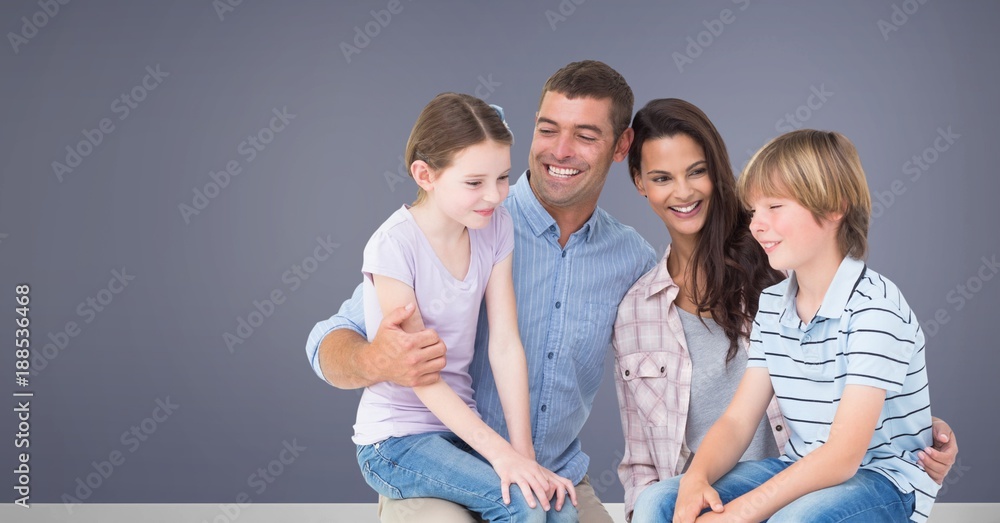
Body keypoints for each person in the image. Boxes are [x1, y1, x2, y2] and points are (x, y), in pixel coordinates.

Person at [306, 60, 656, 523]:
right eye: (549, 130)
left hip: (548, 465)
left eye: (586, 136)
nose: (562, 150)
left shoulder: (629, 257)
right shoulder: (458, 215)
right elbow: (331, 336)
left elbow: (659, 378)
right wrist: (376, 360)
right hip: (429, 452)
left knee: (552, 511)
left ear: (621, 145)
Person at [614, 100, 957, 522]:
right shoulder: (778, 300)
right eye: (756, 210)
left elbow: (843, 456)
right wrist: (696, 478)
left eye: (774, 208)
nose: (758, 224)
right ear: (640, 183)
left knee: (791, 520)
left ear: (834, 207)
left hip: (878, 479)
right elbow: (738, 419)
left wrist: (740, 514)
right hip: (795, 466)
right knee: (656, 501)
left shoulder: (875, 308)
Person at [354, 93, 577, 522]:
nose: (494, 196)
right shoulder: (394, 246)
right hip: (395, 442)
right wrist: (500, 456)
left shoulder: (495, 228)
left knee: (558, 506)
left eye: (503, 178)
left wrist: (523, 456)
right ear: (425, 175)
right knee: (525, 507)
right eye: (474, 183)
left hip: (459, 431)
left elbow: (506, 345)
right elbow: (420, 373)